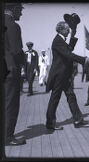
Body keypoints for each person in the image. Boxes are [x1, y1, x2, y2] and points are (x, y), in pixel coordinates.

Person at [45, 21, 89, 130]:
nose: (68, 31)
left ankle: (78, 119)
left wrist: (73, 34)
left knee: (71, 96)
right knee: (55, 98)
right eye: (67, 29)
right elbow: (69, 54)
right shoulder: (58, 41)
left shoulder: (61, 40)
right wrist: (85, 59)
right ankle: (50, 123)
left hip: (64, 75)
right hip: (59, 75)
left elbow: (69, 49)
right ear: (61, 30)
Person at [4, 3, 26, 145]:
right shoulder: (13, 26)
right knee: (10, 104)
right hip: (10, 71)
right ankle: (7, 137)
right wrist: (24, 64)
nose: (21, 14)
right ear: (13, 9)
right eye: (20, 10)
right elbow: (17, 51)